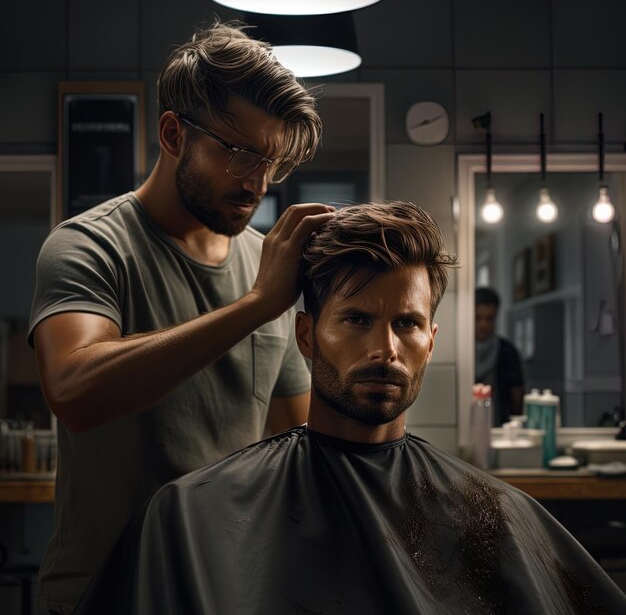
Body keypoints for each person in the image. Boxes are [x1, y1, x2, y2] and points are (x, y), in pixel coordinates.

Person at [74, 202, 626, 614]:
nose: (385, 349)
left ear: (431, 341)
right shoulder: (186, 518)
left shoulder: (496, 514)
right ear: (307, 336)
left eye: (406, 324)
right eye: (357, 320)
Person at [28, 21, 335, 614]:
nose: (258, 184)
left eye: (271, 163)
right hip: (104, 595)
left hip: (225, 592)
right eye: (240, 154)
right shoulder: (88, 246)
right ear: (174, 134)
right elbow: (72, 390)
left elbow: (290, 442)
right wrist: (256, 306)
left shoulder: (264, 264)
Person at [475, 286, 525, 426]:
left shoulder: (507, 352)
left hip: (500, 426)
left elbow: (517, 395)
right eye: (478, 318)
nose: (483, 324)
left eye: (489, 319)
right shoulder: (461, 353)